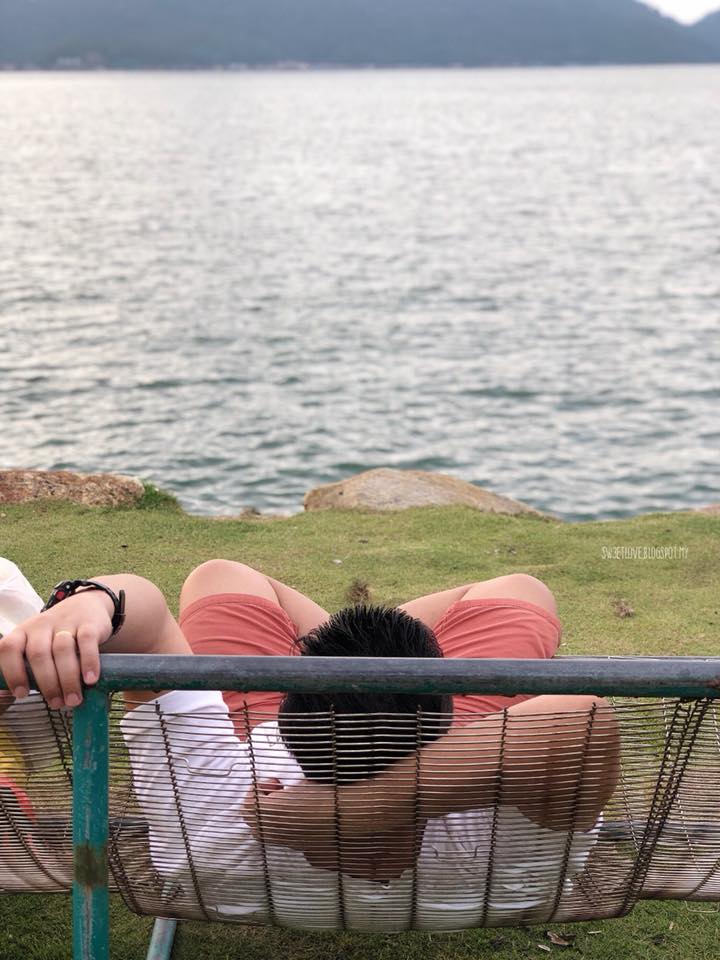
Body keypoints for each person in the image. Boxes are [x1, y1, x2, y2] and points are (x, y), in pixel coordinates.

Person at [0, 560, 619, 929]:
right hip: (474, 756)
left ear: (288, 715)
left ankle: (342, 652)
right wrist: (362, 809)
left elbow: (149, 620)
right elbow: (584, 720)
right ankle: (364, 651)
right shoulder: (508, 852)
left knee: (222, 575)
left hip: (306, 732)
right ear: (448, 712)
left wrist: (92, 601)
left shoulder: (209, 827)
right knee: (521, 587)